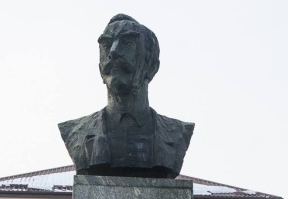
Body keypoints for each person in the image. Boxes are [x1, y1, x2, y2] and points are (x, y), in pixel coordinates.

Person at [58, 14, 194, 179]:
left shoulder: (178, 133)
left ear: (152, 67)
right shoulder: (75, 132)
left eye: (128, 43)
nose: (113, 52)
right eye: (106, 45)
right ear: (100, 69)